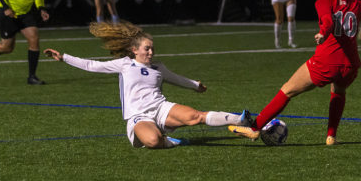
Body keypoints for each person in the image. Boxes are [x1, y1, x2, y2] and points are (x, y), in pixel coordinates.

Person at [229, 0, 361, 146]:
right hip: (350, 66)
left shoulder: (323, 2)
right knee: (338, 91)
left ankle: (255, 128)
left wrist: (323, 33)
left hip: (327, 62)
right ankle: (331, 136)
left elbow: (328, 21)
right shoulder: (356, 3)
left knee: (287, 89)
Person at [44, 21, 257, 149]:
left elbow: (177, 79)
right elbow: (92, 65)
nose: (151, 52)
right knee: (153, 142)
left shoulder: (158, 68)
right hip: (139, 116)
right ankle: (169, 140)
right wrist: (64, 57)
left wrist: (195, 85)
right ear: (135, 50)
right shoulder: (125, 65)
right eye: (147, 49)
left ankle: (241, 118)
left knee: (195, 117)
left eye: (152, 49)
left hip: (161, 107)